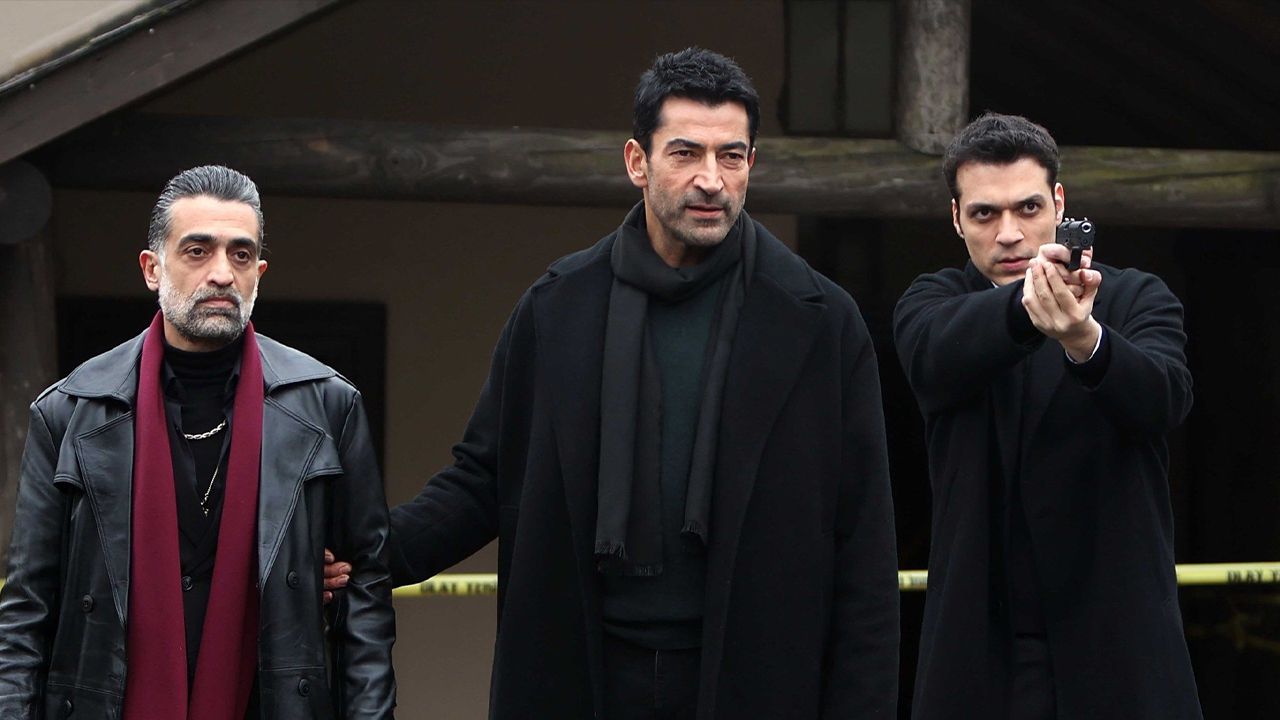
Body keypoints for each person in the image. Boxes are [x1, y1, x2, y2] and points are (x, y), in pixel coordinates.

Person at [329, 47, 898, 718]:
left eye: (731, 156)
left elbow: (863, 542)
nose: (711, 180)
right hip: (583, 670)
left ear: (753, 164)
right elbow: (483, 479)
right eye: (685, 153)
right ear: (637, 162)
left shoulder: (820, 321)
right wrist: (366, 553)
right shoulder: (559, 307)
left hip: (756, 677)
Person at [0, 166, 396, 719]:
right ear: (152, 269)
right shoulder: (70, 411)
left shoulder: (327, 405)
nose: (222, 273)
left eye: (241, 254)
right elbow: (26, 613)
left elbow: (366, 601)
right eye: (197, 251)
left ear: (258, 274)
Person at [893, 113, 1201, 719]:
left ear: (1059, 203)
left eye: (1028, 208)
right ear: (956, 218)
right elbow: (936, 355)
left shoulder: (1136, 296)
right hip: (983, 647)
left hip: (1118, 641)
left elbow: (1165, 399)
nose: (1009, 233)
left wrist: (1087, 341)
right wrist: (1033, 306)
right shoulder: (931, 302)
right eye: (985, 214)